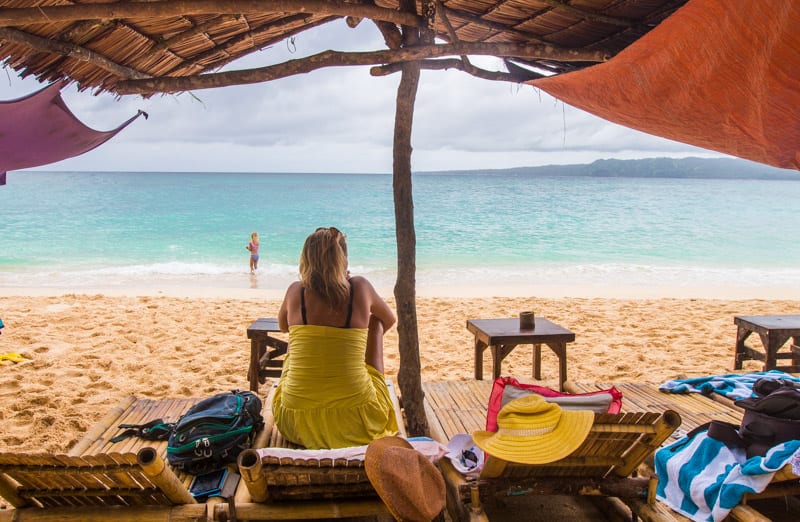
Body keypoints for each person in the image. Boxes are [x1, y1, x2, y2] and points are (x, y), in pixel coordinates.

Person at [272, 227, 399, 448]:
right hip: (359, 419)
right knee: (375, 322)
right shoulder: (360, 287)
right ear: (343, 260)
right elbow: (389, 319)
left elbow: (283, 326)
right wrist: (363, 331)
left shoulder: (296, 291)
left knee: (297, 342)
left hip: (295, 421)